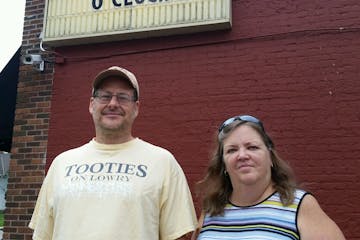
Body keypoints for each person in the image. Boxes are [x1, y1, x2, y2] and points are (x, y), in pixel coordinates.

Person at [29, 66, 197, 240]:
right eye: (105, 96)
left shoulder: (163, 162)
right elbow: (43, 235)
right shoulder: (61, 164)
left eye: (123, 97)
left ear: (136, 107)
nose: (113, 104)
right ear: (91, 105)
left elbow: (178, 236)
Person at [194, 115, 345, 240]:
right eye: (232, 150)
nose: (242, 155)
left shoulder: (299, 205)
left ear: (270, 157)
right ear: (223, 164)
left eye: (252, 147)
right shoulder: (211, 209)